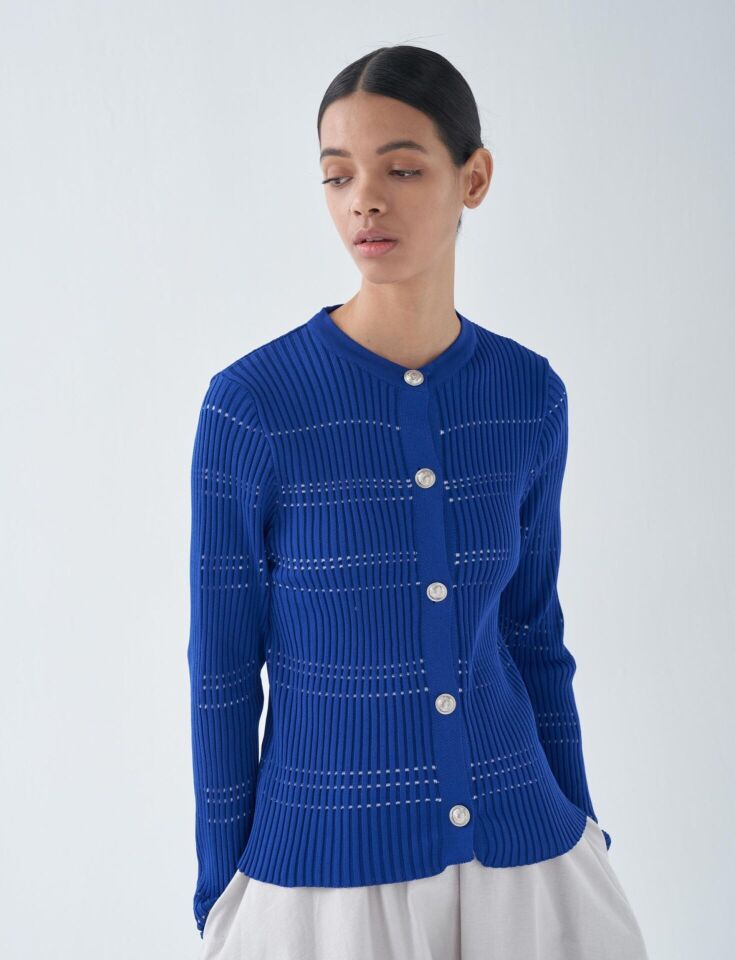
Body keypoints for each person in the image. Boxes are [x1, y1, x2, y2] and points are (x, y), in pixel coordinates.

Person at [187, 44, 649, 960]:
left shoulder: (527, 395)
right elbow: (224, 670)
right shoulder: (254, 407)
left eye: (401, 169)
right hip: (325, 868)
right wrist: (222, 885)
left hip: (527, 859)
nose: (364, 200)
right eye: (337, 175)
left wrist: (582, 821)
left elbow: (532, 633)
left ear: (472, 178)